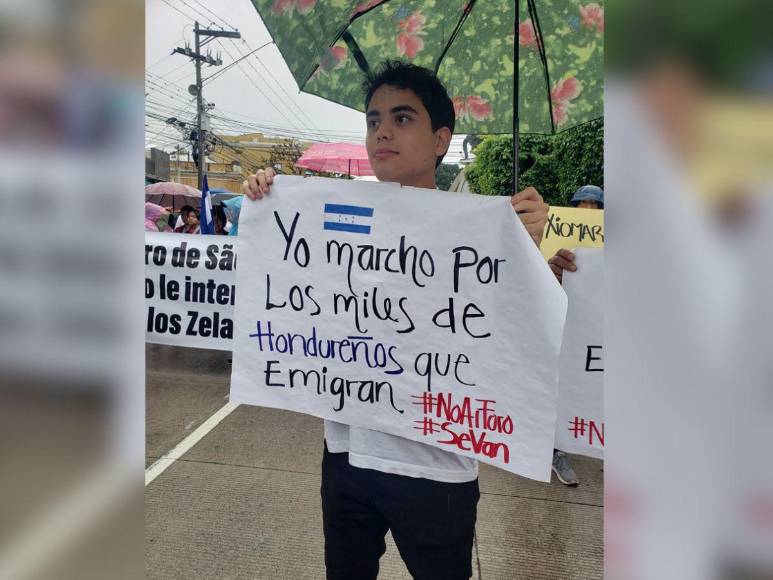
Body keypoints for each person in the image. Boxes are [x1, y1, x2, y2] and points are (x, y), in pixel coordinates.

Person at [242, 60, 549, 580]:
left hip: (437, 471)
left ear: (440, 140)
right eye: (373, 120)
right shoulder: (329, 215)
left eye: (402, 118)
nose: (381, 131)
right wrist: (266, 199)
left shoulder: (483, 234)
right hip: (347, 456)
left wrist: (529, 250)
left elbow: (519, 335)